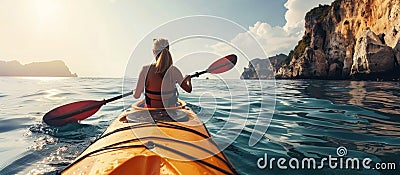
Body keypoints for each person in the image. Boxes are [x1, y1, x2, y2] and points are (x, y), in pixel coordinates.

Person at [133, 38, 192, 108]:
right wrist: (188, 80)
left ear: (153, 52)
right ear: (168, 50)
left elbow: (136, 96)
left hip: (152, 112)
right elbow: (188, 90)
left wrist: (134, 91)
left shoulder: (145, 70)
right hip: (171, 112)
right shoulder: (175, 71)